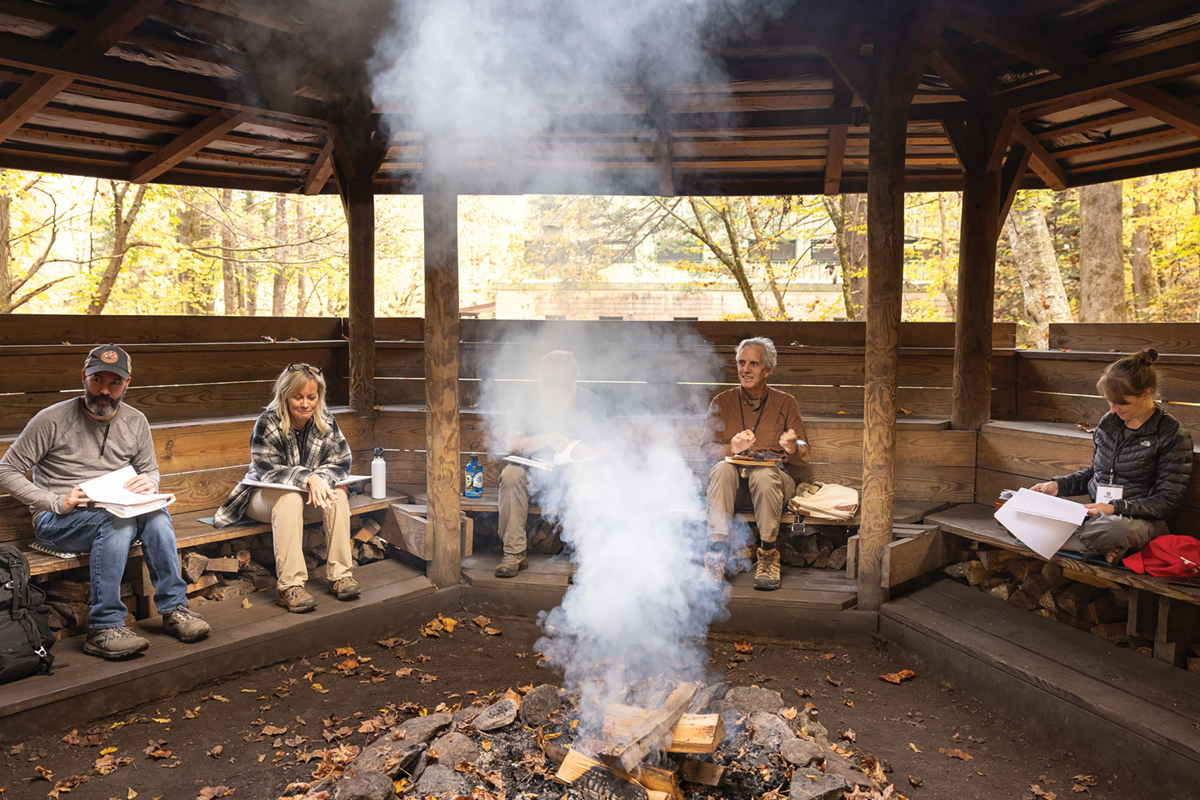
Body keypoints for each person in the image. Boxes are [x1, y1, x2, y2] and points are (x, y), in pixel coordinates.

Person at [0, 345, 210, 659]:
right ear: (84, 377)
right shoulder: (52, 420)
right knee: (118, 523)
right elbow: (6, 470)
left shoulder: (136, 421)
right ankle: (103, 627)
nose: (104, 390)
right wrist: (56, 500)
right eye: (98, 380)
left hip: (116, 508)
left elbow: (150, 468)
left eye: (114, 383)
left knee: (157, 516)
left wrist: (149, 482)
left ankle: (174, 609)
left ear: (127, 384)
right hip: (58, 519)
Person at [215, 364, 360, 612]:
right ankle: (290, 587)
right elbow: (266, 467)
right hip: (263, 498)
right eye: (298, 397)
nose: (305, 403)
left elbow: (341, 461)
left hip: (309, 497)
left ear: (319, 396)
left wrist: (320, 480)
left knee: (336, 497)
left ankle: (341, 576)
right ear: (284, 395)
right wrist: (308, 479)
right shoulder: (268, 421)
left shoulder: (326, 420)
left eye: (311, 397)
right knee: (291, 499)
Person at [1031, 349, 1193, 563]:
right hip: (1097, 515)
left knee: (1114, 528)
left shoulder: (1171, 433)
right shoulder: (1110, 422)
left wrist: (1116, 508)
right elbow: (1097, 472)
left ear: (1146, 393)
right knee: (1035, 509)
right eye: (1109, 401)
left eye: (1122, 403)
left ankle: (1044, 541)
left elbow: (1167, 501)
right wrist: (1060, 486)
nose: (1114, 409)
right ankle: (1104, 547)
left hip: (1141, 521)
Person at [702, 337, 809, 591]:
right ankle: (715, 558)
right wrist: (731, 449)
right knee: (722, 468)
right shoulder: (721, 402)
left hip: (773, 485)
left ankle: (768, 556)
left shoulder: (786, 402)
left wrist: (793, 447)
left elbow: (805, 454)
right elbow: (707, 450)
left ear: (768, 370)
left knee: (763, 474)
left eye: (753, 364)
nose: (745, 370)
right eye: (741, 363)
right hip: (732, 487)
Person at [495, 350, 608, 578]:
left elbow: (606, 448)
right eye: (551, 381)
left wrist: (589, 452)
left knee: (586, 479)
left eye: (562, 382)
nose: (556, 387)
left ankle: (584, 558)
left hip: (571, 475)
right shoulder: (527, 401)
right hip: (532, 474)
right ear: (542, 379)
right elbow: (513, 445)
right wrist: (547, 437)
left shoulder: (589, 402)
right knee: (510, 475)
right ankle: (514, 554)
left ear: (572, 380)